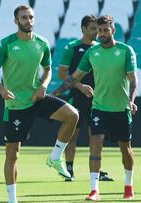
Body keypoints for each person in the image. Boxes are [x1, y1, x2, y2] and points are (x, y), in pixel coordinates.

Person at [0, 5, 79, 203]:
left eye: (31, 17)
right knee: (13, 154)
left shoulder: (42, 43)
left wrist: (44, 86)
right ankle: (12, 199)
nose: (28, 21)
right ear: (16, 21)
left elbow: (47, 70)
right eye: (24, 18)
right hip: (15, 105)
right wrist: (2, 90)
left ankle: (55, 157)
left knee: (72, 115)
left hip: (37, 97)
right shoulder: (6, 44)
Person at [52, 15, 137, 201]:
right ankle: (94, 190)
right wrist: (54, 95)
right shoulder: (92, 53)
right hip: (99, 107)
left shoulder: (125, 51)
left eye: (106, 30)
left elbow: (133, 80)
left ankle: (129, 186)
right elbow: (74, 77)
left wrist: (131, 101)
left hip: (121, 108)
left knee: (125, 149)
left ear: (113, 31)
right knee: (95, 143)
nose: (102, 34)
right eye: (99, 31)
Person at [58, 15, 114, 182]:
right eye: (92, 28)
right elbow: (62, 73)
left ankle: (97, 170)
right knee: (72, 135)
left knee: (96, 136)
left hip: (97, 99)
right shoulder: (72, 47)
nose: (97, 32)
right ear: (83, 29)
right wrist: (80, 86)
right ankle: (69, 169)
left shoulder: (100, 48)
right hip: (77, 98)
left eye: (98, 28)